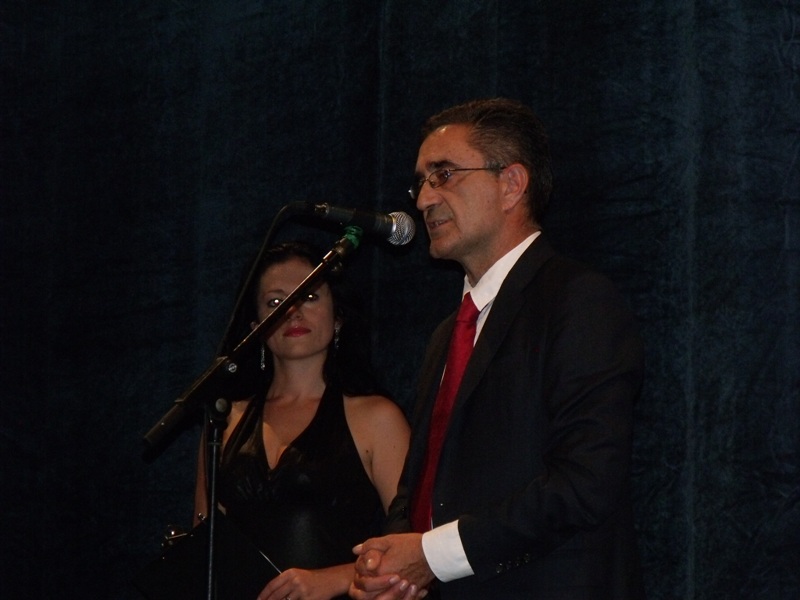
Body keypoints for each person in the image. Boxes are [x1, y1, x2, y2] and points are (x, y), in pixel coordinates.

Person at [349, 98, 645, 600]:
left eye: (444, 174)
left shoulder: (578, 301)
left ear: (511, 184)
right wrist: (393, 564)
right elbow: (419, 485)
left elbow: (585, 483)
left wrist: (432, 555)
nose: (423, 200)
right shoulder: (448, 333)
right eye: (421, 183)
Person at [194, 241, 410, 600]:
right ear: (256, 328)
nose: (292, 311)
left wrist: (333, 579)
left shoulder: (376, 418)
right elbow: (203, 548)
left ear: (337, 316)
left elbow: (414, 546)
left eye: (308, 297)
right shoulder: (224, 420)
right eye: (275, 302)